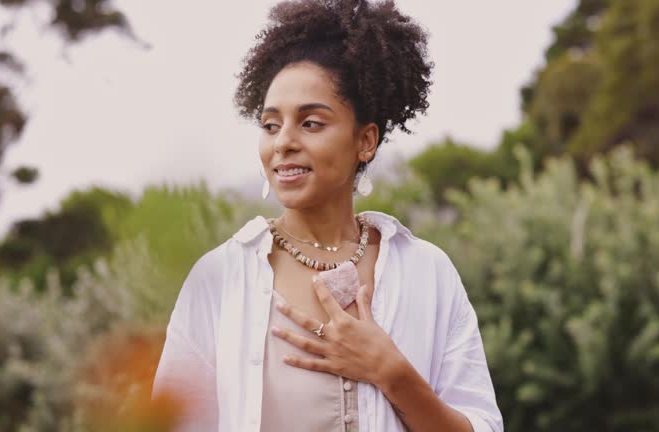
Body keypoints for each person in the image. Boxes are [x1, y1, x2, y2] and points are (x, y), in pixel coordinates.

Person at [151, 0, 503, 431]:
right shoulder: (219, 280)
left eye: (311, 123)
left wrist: (392, 372)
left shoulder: (428, 272)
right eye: (270, 124)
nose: (283, 142)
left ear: (365, 141)